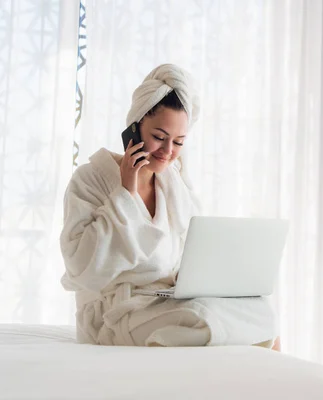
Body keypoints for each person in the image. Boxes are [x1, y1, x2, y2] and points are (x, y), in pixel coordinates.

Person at [60, 64, 280, 350]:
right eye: (159, 137)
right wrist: (126, 192)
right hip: (115, 312)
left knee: (262, 314)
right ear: (135, 128)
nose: (168, 152)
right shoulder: (90, 179)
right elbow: (80, 265)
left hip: (164, 299)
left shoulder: (173, 183)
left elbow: (189, 254)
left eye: (178, 142)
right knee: (203, 319)